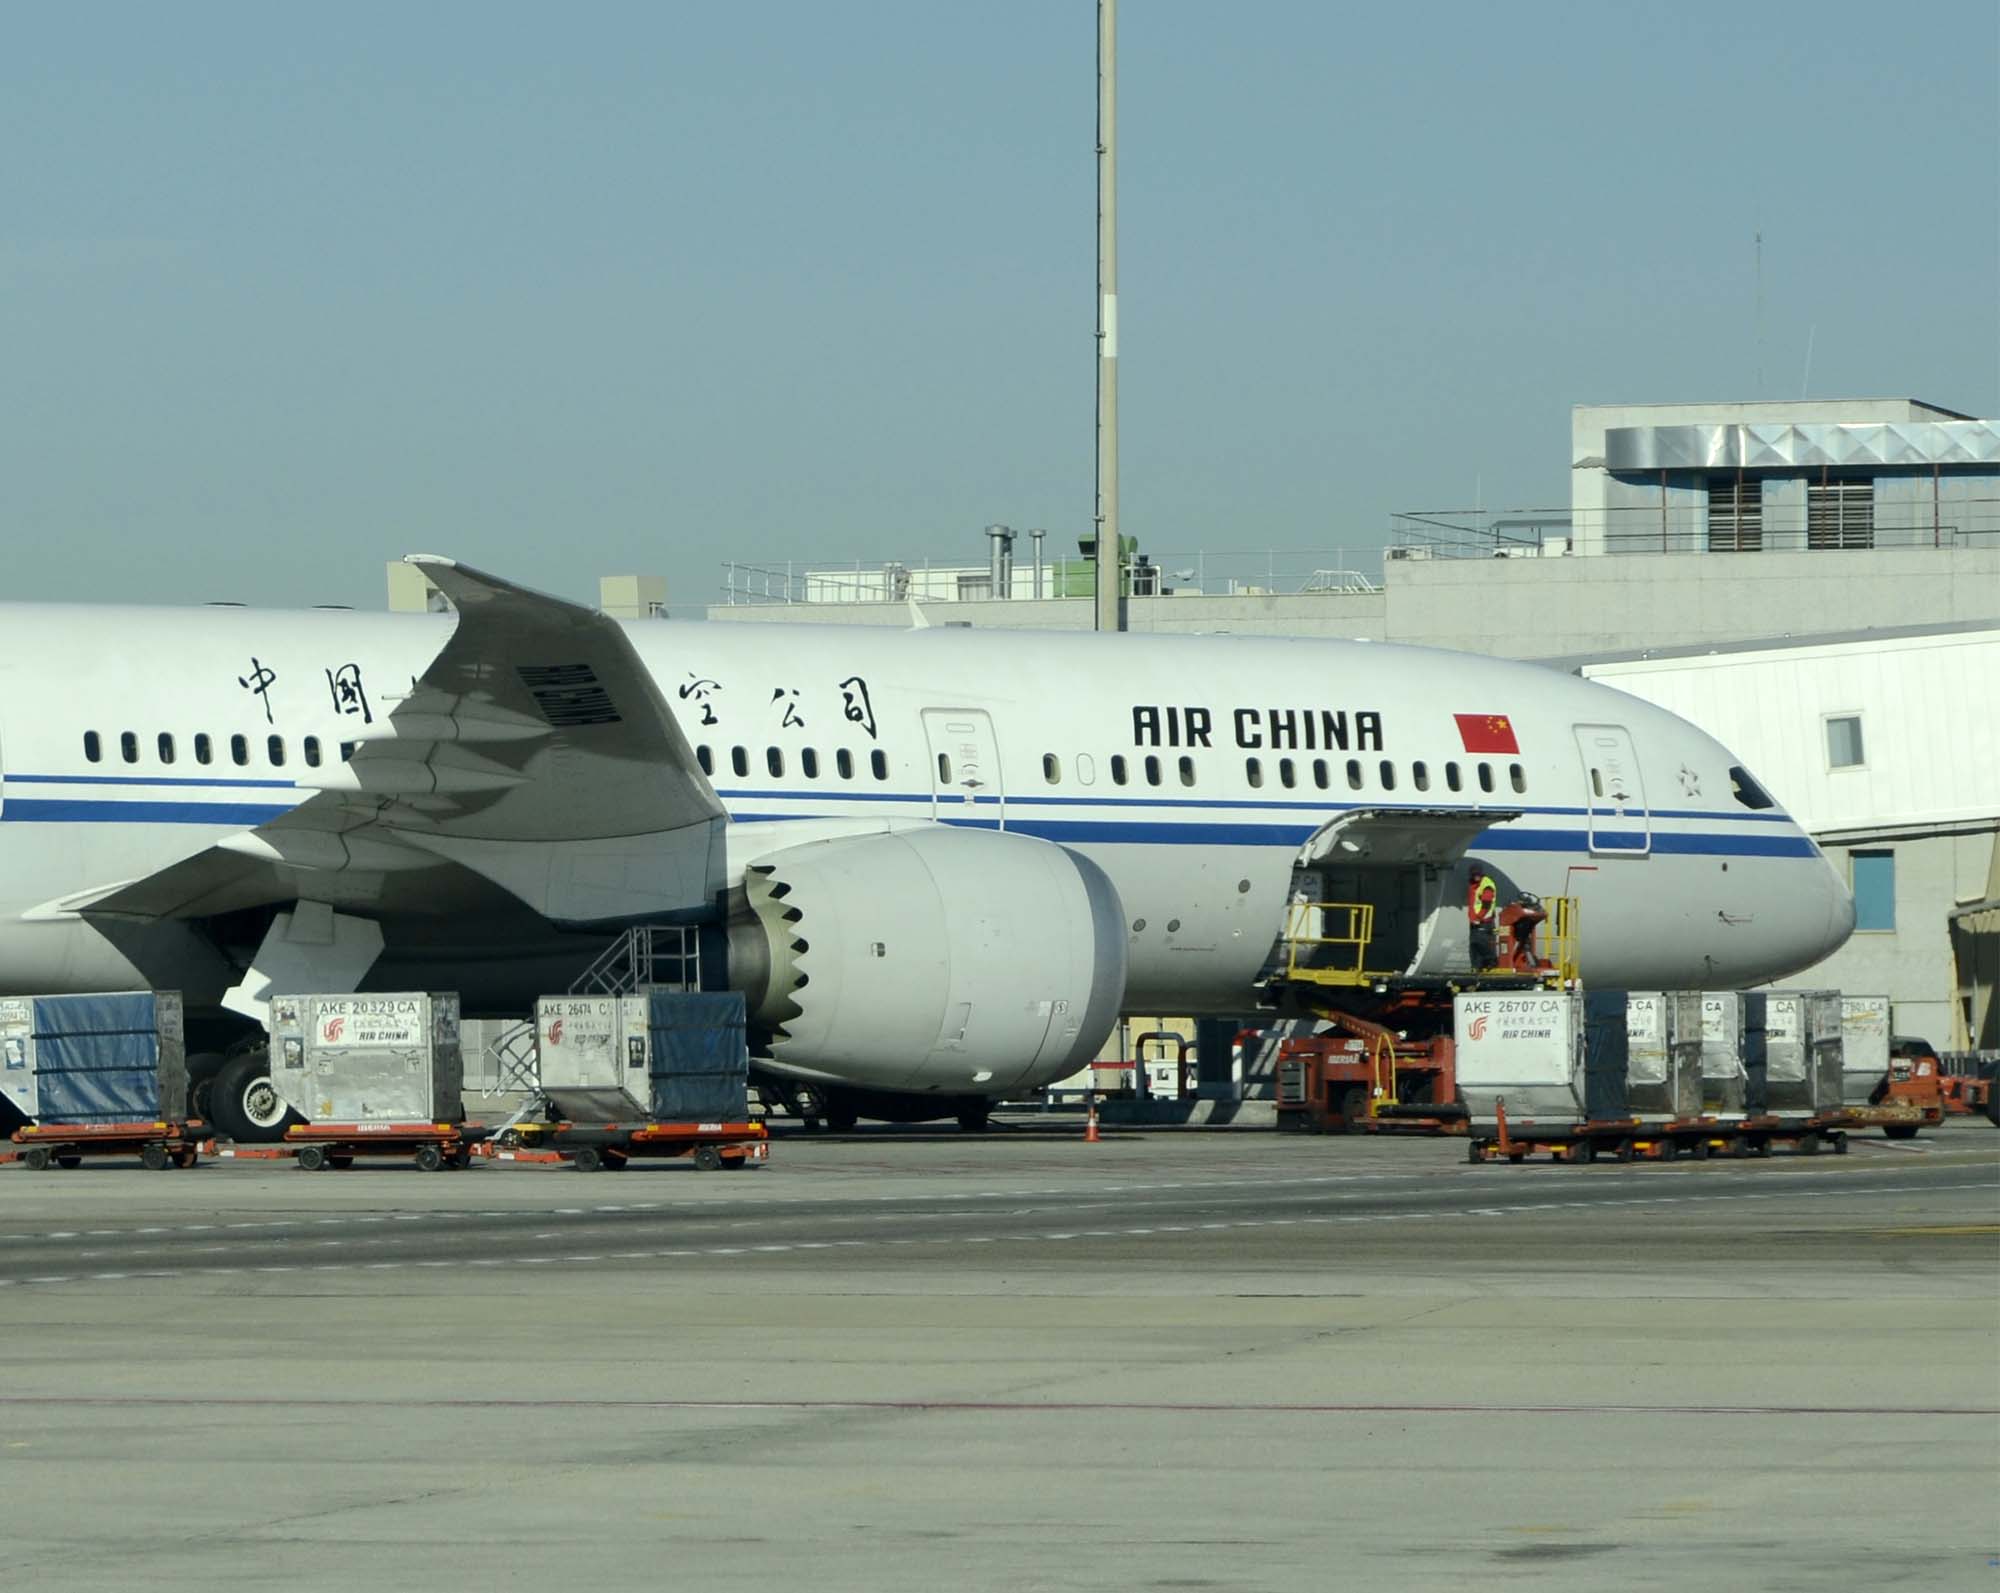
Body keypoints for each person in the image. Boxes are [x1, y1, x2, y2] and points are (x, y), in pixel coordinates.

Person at [1467, 870, 1498, 970]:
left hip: (1484, 920)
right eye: (1474, 874)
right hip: (1475, 921)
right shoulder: (1474, 885)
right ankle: (1476, 967)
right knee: (1474, 945)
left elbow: (1486, 904)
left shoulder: (1486, 885)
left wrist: (1478, 917)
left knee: (1480, 942)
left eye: (1478, 874)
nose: (1476, 876)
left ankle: (1492, 961)